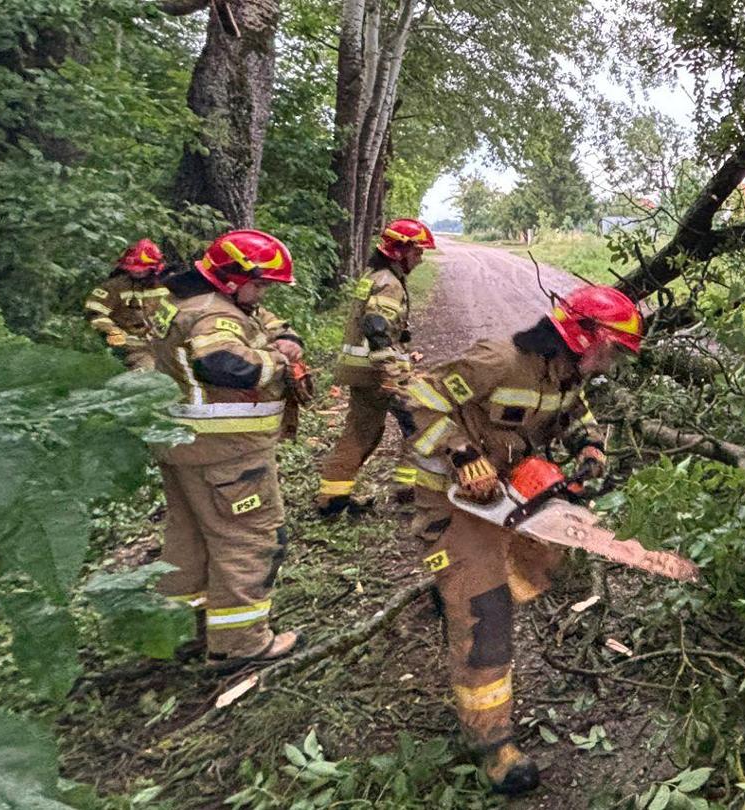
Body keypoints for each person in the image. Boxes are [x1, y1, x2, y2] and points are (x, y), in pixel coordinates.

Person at [398, 284, 644, 794]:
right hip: (452, 496)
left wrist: (591, 447)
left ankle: (454, 591)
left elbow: (577, 414)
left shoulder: (568, 373)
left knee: (538, 567)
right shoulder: (500, 360)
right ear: (584, 335)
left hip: (505, 495)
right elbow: (415, 396)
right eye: (614, 349)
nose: (614, 362)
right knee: (487, 615)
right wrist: (462, 453)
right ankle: (491, 746)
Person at [146, 229, 308, 668]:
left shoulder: (186, 299)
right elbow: (226, 365)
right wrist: (281, 360)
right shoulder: (213, 317)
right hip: (226, 454)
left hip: (184, 450)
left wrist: (283, 337)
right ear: (233, 279)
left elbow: (268, 324)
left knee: (189, 541)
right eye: (261, 284)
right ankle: (241, 644)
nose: (265, 293)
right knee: (248, 539)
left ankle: (179, 634)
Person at [315, 218, 437, 517]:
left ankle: (332, 498)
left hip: (362, 370)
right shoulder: (389, 283)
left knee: (361, 432)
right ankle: (409, 492)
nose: (420, 259)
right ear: (400, 252)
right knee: (421, 423)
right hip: (378, 372)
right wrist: (391, 371)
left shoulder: (376, 275)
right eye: (417, 253)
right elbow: (375, 324)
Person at [84, 239, 169, 371]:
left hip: (166, 345)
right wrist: (112, 331)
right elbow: (94, 313)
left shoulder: (168, 285)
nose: (138, 272)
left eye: (143, 269)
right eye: (134, 269)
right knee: (147, 373)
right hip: (133, 347)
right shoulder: (114, 287)